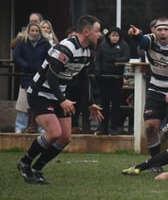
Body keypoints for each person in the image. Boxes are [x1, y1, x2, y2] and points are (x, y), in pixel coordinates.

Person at [16, 15, 104, 184]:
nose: (99, 35)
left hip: (58, 95)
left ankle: (37, 168)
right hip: (40, 93)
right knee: (54, 133)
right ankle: (25, 162)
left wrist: (90, 102)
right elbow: (51, 75)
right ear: (86, 32)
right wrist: (62, 100)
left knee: (65, 137)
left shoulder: (87, 51)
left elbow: (84, 78)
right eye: (97, 31)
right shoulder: (66, 48)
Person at [123, 19, 168, 170]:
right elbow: (143, 42)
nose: (162, 33)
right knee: (150, 127)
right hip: (156, 88)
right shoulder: (151, 40)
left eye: (166, 30)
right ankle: (156, 163)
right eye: (159, 30)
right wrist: (137, 35)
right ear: (154, 31)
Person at [13, 22, 50, 133]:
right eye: (32, 31)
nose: (34, 33)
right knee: (23, 105)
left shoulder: (45, 43)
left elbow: (49, 56)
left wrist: (42, 68)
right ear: (28, 31)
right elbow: (16, 56)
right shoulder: (22, 42)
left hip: (40, 78)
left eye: (36, 31)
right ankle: (19, 128)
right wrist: (25, 65)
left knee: (40, 105)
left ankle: (42, 128)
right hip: (26, 76)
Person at [94, 27, 130, 135]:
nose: (115, 38)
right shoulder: (103, 45)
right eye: (113, 35)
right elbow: (98, 59)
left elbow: (126, 57)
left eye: (117, 35)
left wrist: (115, 60)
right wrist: (98, 71)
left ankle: (114, 127)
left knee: (116, 105)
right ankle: (102, 127)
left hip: (117, 78)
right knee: (103, 105)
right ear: (109, 36)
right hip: (104, 78)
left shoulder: (124, 45)